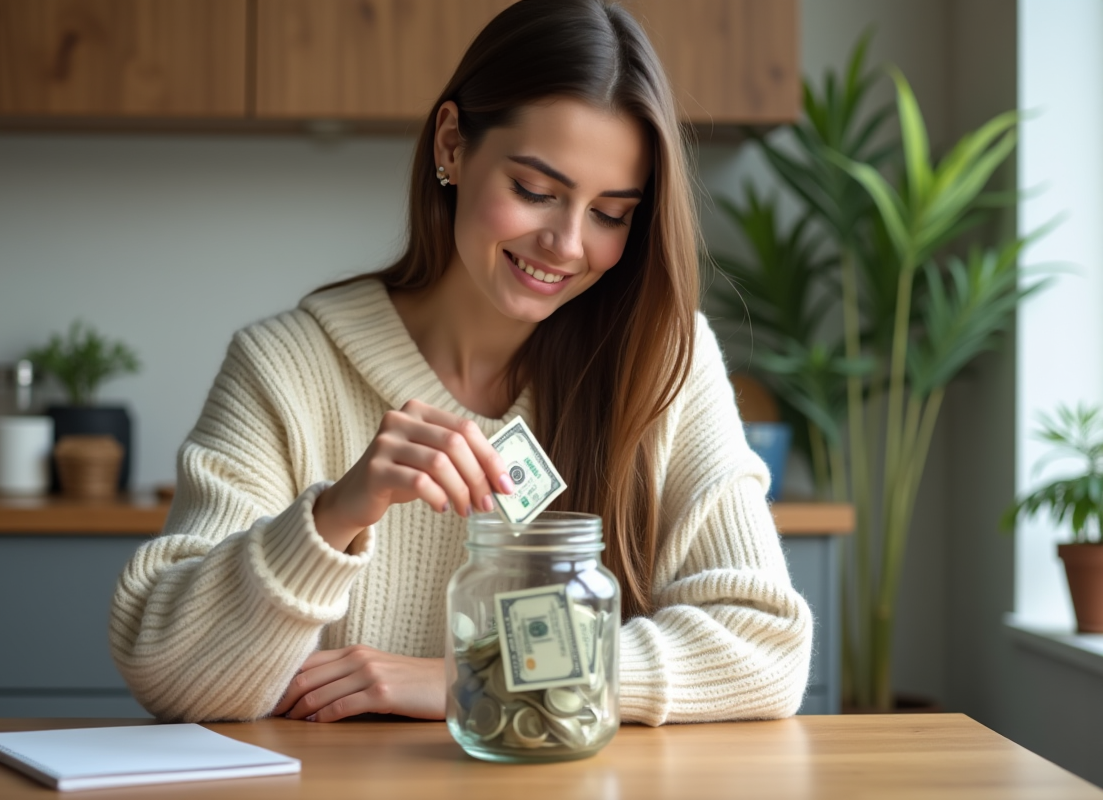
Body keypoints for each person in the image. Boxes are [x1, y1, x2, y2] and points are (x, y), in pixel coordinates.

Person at [110, 0, 812, 726]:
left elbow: (766, 652)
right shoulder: (286, 368)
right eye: (536, 192)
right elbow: (171, 672)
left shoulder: (664, 361)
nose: (567, 245)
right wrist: (332, 516)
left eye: (610, 213)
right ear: (452, 144)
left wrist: (479, 676)